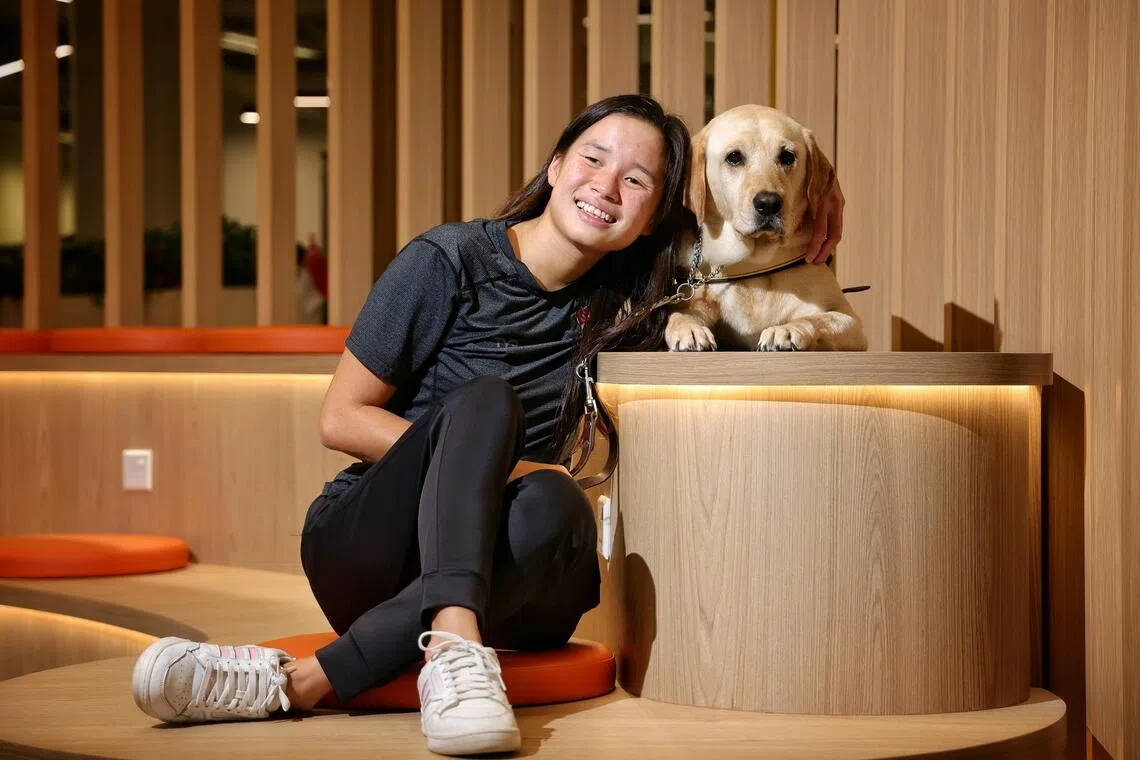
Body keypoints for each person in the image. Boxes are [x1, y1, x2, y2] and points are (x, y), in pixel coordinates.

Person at [129, 93, 846, 757]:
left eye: (637, 180)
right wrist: (507, 463)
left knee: (554, 503)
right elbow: (340, 417)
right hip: (374, 552)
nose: (606, 185)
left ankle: (300, 681)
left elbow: (749, 174)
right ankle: (441, 643)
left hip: (520, 570)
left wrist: (823, 193)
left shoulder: (638, 299)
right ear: (557, 164)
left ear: (660, 211)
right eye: (594, 159)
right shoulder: (448, 260)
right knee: (487, 404)